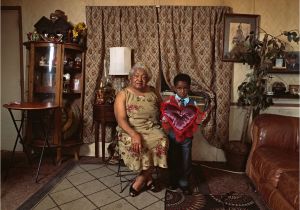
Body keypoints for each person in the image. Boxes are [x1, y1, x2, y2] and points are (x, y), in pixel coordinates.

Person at [114, 62, 169, 197]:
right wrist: (134, 134)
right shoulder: (123, 94)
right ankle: (148, 178)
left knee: (162, 139)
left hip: (152, 128)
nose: (140, 79)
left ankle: (141, 179)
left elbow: (163, 109)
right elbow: (120, 119)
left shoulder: (152, 91)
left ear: (148, 79)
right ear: (130, 78)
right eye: (136, 76)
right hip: (130, 129)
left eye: (144, 77)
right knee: (143, 143)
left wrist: (167, 118)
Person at [161, 73, 207, 195]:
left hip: (186, 138)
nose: (182, 91)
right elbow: (165, 118)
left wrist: (192, 130)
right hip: (173, 136)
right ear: (175, 88)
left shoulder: (193, 104)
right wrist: (166, 126)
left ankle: (184, 183)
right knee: (173, 159)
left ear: (189, 87)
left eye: (185, 88)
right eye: (179, 88)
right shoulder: (168, 103)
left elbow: (195, 120)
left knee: (186, 160)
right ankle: (173, 180)